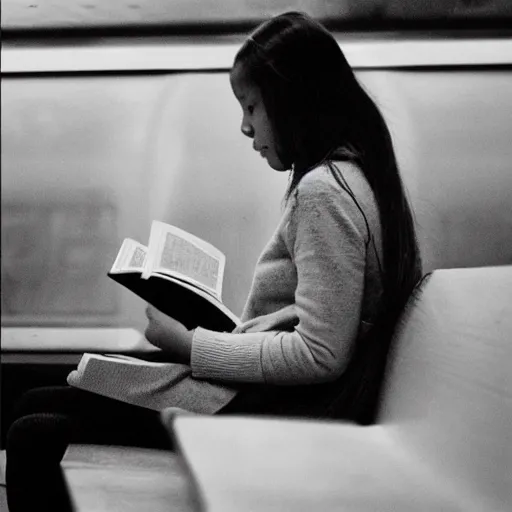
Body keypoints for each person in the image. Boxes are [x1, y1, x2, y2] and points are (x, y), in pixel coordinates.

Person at [5, 11, 421, 511]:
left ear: (293, 102)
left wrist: (192, 345)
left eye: (251, 106)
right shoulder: (358, 179)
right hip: (277, 398)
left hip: (282, 408)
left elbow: (319, 354)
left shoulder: (323, 193)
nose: (245, 127)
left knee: (32, 425)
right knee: (38, 406)